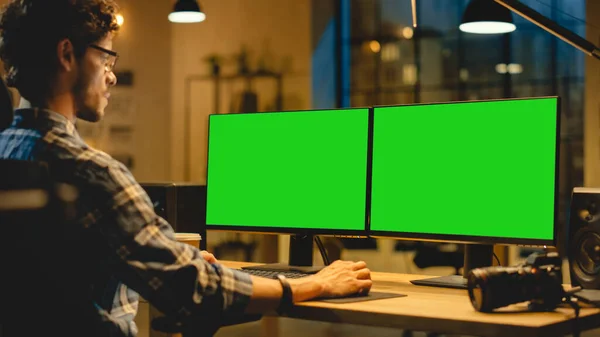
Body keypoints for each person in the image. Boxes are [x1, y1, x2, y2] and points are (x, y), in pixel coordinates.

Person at [0, 1, 372, 336]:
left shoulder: (7, 153)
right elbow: (195, 290)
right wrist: (313, 284)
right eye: (106, 59)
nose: (111, 76)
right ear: (67, 54)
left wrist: (166, 251)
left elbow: (54, 276)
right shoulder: (91, 173)